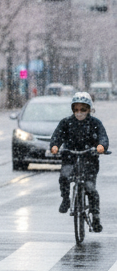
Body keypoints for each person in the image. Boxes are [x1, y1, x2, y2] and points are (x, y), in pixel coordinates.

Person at [51, 90, 109, 232]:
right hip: (70, 157)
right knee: (64, 177)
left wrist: (101, 146)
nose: (79, 113)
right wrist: (55, 146)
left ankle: (95, 217)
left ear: (89, 110)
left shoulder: (95, 123)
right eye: (76, 109)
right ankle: (65, 199)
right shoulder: (66, 123)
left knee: (90, 188)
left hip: (90, 160)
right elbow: (57, 136)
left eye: (83, 109)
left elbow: (103, 137)